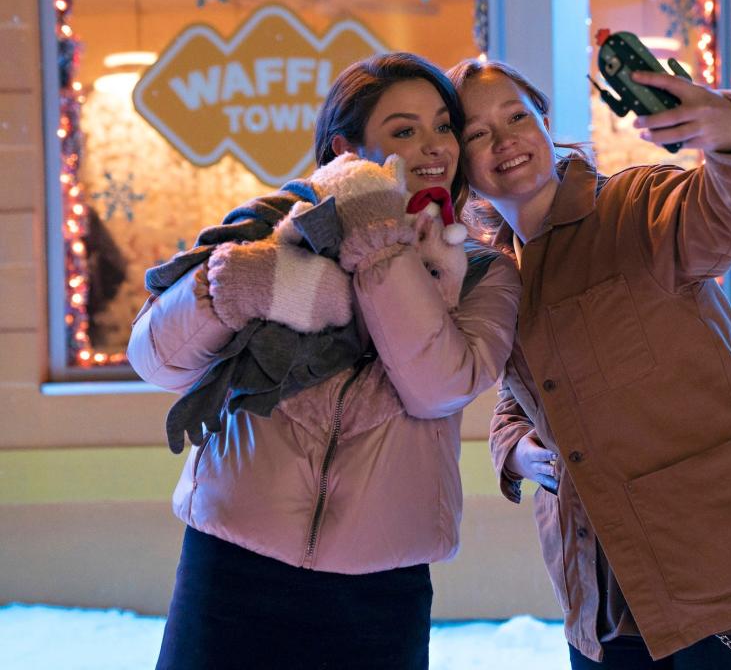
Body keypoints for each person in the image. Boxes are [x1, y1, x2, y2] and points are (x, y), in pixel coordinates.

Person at [127, 53, 520, 670]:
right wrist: (230, 289)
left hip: (377, 588)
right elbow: (155, 359)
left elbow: (437, 387)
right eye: (403, 129)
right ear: (348, 149)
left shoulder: (478, 270)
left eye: (443, 125)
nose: (434, 146)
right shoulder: (272, 225)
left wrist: (375, 245)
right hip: (232, 564)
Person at [448, 58, 731, 669]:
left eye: (516, 115)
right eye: (476, 132)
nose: (504, 139)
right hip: (602, 605)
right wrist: (514, 450)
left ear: (546, 123)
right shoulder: (499, 275)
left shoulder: (637, 208)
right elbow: (521, 397)